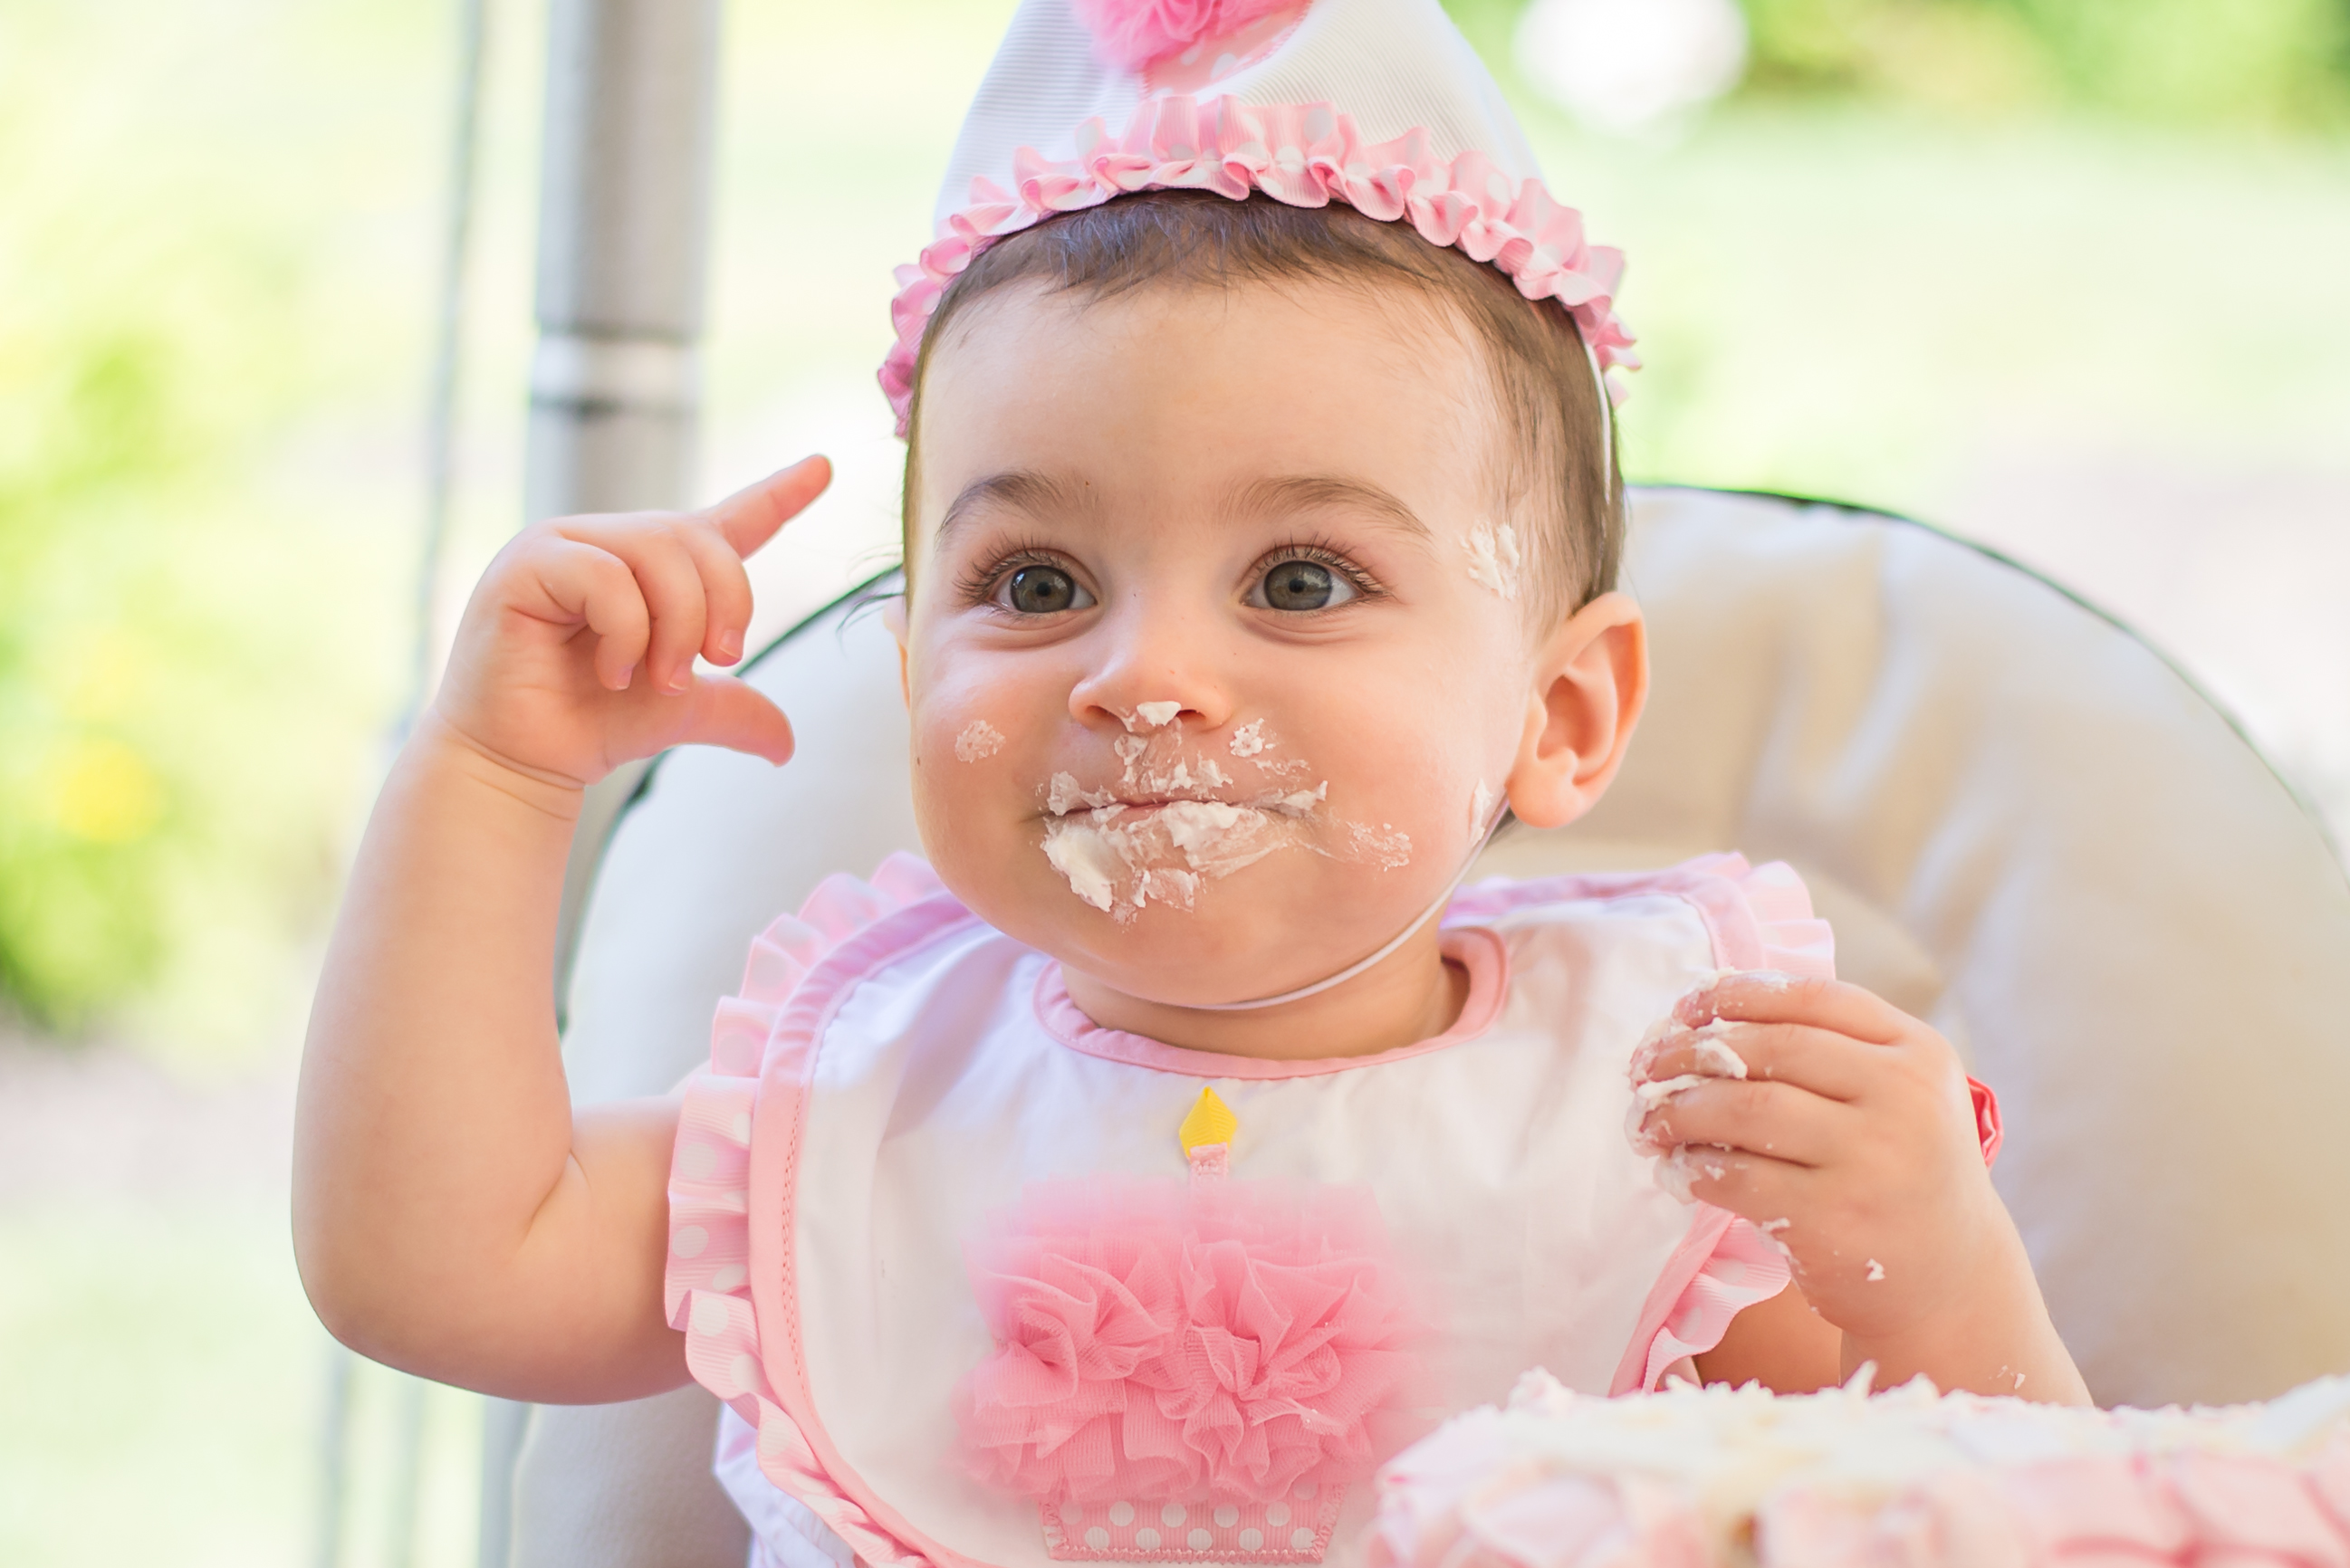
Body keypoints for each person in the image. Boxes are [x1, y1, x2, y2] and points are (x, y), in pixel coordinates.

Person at [293, 0, 2087, 1561]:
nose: (1139, 675)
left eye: (1300, 581)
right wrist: (493, 779)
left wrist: (1926, 1252)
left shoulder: (1653, 1135)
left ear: (1560, 711)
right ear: (912, 665)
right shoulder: (855, 1108)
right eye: (1035, 584)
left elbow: (2017, 1513)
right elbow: (435, 1263)